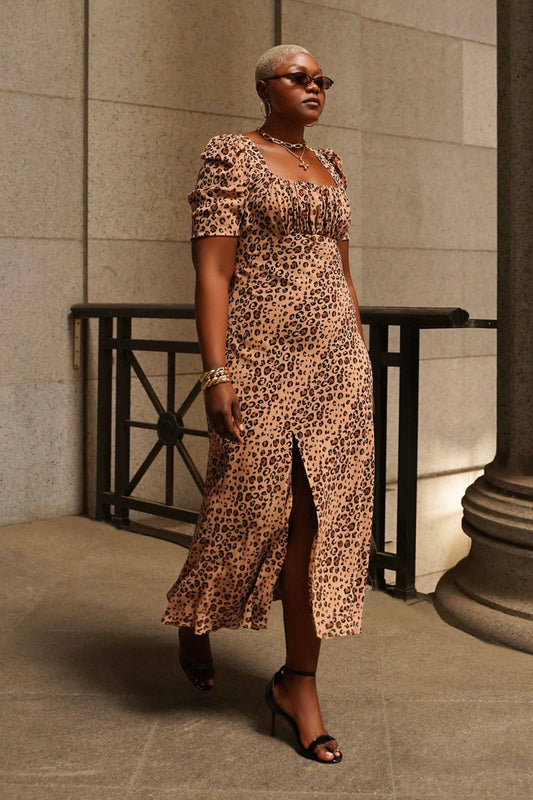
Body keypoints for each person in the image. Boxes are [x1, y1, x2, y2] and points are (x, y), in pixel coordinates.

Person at [161, 44, 375, 764]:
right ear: (263, 88)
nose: (314, 88)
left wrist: (356, 349)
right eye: (298, 77)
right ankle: (196, 612)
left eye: (321, 80)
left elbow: (341, 270)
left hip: (335, 365)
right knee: (242, 502)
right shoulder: (231, 156)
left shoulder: (331, 165)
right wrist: (215, 371)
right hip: (257, 359)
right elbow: (213, 272)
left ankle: (298, 685)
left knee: (314, 520)